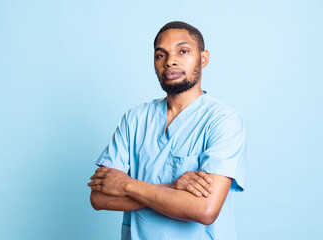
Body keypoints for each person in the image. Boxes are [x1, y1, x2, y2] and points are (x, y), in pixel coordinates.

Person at [88, 21, 247, 240]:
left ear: (203, 58)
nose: (170, 61)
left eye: (183, 51)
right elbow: (99, 198)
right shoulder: (135, 119)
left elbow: (205, 209)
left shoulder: (222, 121)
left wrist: (126, 185)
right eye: (161, 55)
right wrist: (172, 188)